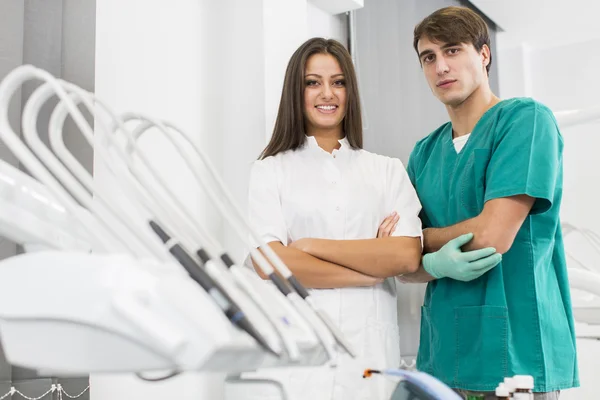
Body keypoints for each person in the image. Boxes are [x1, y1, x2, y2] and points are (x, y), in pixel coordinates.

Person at [245, 37, 501, 400]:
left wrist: (309, 248)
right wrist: (371, 270)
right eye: (312, 82)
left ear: (350, 92)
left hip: (368, 358)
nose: (326, 93)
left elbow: (405, 257)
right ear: (296, 92)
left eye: (338, 82)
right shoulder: (270, 171)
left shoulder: (386, 171)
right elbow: (269, 262)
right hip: (297, 358)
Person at [398, 6, 579, 399]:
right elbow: (400, 264)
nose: (441, 66)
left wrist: (421, 242)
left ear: (483, 54)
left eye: (453, 50)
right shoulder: (424, 153)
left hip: (515, 354)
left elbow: (492, 235)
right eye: (429, 57)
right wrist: (417, 255)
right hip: (443, 354)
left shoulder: (525, 121)